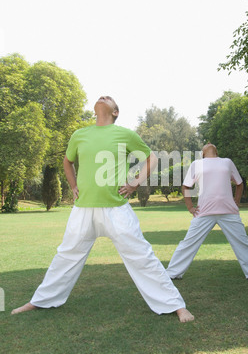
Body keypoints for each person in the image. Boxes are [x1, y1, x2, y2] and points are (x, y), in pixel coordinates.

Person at [12, 96, 194, 322]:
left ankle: (175, 305)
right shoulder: (79, 134)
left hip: (116, 209)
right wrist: (73, 185)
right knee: (66, 255)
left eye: (109, 99)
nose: (103, 97)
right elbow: (68, 162)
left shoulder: (125, 134)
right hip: (83, 210)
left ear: (115, 112)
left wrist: (135, 183)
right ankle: (39, 301)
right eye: (101, 96)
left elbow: (152, 158)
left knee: (141, 256)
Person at [166, 143, 248, 281]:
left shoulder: (227, 162)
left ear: (216, 151)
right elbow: (186, 186)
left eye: (211, 145)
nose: (209, 145)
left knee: (243, 242)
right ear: (203, 153)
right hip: (204, 212)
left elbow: (239, 183)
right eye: (206, 145)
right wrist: (190, 207)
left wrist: (236, 201)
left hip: (229, 212)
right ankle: (171, 273)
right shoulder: (197, 164)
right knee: (188, 243)